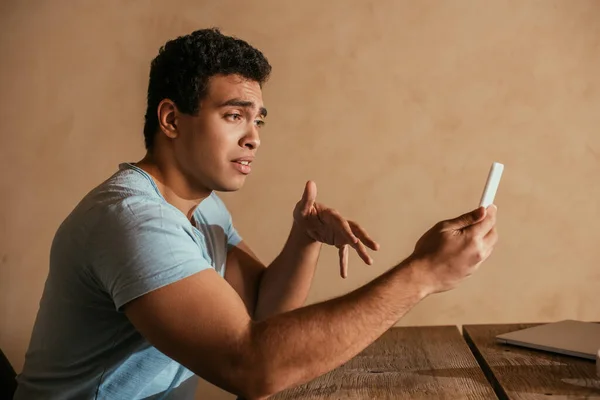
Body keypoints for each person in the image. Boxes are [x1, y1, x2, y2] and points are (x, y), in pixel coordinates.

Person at [15, 28, 498, 399]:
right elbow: (253, 367)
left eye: (258, 119)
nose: (254, 137)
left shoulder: (203, 208)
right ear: (170, 119)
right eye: (234, 115)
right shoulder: (133, 220)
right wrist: (422, 274)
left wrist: (303, 239)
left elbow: (263, 313)